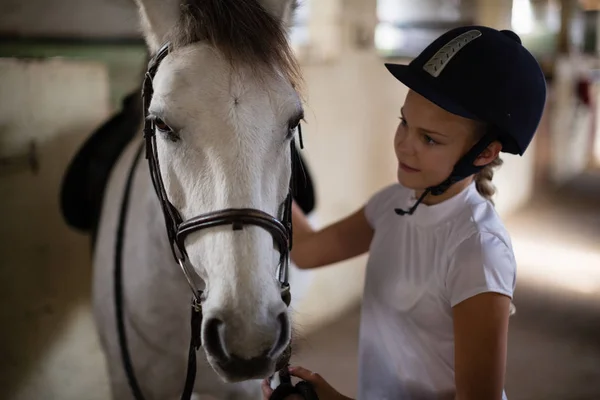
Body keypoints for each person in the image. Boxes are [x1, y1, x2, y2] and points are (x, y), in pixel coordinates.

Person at [262, 25, 546, 400]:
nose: (404, 145)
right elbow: (309, 250)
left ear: (485, 153)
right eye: (404, 123)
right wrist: (264, 164)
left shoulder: (478, 250)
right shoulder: (393, 203)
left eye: (429, 139)